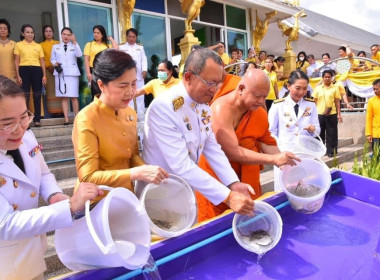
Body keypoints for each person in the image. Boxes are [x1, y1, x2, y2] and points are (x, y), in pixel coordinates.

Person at [0, 74, 102, 279]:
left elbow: (43, 174)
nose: (19, 129)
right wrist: (69, 207)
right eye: (7, 123)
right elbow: (5, 225)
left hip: (30, 254)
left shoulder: (26, 137)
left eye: (24, 117)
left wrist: (54, 194)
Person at [143, 48, 255, 218]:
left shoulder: (203, 106)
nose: (215, 89)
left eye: (219, 83)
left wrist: (233, 183)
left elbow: (212, 148)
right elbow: (181, 165)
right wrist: (227, 196)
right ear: (188, 77)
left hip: (187, 192)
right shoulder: (164, 107)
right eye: (210, 83)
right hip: (160, 196)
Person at [196, 69, 300, 221]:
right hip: (218, 177)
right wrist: (273, 160)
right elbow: (232, 152)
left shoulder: (258, 112)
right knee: (217, 224)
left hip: (247, 176)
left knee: (250, 221)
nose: (261, 101)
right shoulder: (220, 109)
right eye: (257, 96)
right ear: (241, 89)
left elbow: (266, 141)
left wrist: (287, 168)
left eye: (264, 97)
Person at [73, 49, 168, 203]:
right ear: (101, 85)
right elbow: (88, 176)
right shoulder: (87, 118)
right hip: (97, 203)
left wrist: (148, 170)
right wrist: (136, 173)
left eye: (133, 84)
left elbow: (133, 156)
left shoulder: (129, 113)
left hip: (126, 198)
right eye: (123, 86)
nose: (130, 92)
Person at [268, 70, 320, 152]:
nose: (301, 92)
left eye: (305, 88)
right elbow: (270, 132)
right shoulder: (278, 105)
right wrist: (280, 148)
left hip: (305, 151)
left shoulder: (311, 105)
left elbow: (317, 129)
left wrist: (312, 129)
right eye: (297, 88)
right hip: (284, 152)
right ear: (288, 86)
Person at [14, 24, 47, 127]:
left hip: (37, 70)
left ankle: (37, 119)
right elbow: (16, 61)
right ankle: (26, 120)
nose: (30, 34)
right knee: (25, 96)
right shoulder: (18, 45)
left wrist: (44, 75)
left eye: (32, 32)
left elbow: (42, 62)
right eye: (27, 32)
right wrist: (18, 75)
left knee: (37, 95)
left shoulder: (38, 46)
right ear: (22, 33)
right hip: (24, 70)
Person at [51, 27, 82, 125]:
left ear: (71, 36)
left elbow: (79, 54)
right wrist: (55, 63)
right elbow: (52, 59)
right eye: (64, 34)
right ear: (61, 35)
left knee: (73, 96)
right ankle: (66, 119)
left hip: (72, 73)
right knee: (63, 97)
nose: (66, 36)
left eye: (68, 35)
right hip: (61, 73)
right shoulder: (55, 47)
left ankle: (76, 118)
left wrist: (75, 42)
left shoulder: (74, 46)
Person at [312, 70, 342, 157]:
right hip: (319, 113)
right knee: (319, 132)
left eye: (329, 77)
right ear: (323, 78)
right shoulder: (318, 88)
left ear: (332, 78)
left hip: (332, 113)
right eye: (325, 77)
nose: (327, 78)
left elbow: (337, 102)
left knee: (332, 133)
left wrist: (339, 113)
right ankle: (320, 150)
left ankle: (331, 151)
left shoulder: (335, 88)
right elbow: (314, 101)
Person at [84, 25, 118, 100]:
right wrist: (88, 72)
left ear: (102, 34)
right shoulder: (89, 45)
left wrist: (111, 39)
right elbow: (86, 59)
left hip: (105, 70)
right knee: (95, 92)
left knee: (105, 91)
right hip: (94, 70)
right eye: (94, 32)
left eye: (98, 33)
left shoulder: (107, 45)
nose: (95, 34)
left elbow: (116, 49)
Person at [119, 28, 148, 118]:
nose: (131, 38)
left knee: (140, 95)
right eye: (130, 37)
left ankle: (140, 116)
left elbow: (144, 59)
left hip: (139, 75)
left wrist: (144, 70)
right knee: (128, 95)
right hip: (127, 76)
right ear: (126, 37)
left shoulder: (140, 47)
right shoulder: (122, 48)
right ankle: (129, 116)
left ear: (136, 37)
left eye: (133, 37)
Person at [40, 25, 59, 112]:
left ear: (53, 33)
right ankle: (51, 112)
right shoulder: (40, 45)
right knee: (49, 92)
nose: (48, 33)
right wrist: (48, 67)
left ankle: (60, 111)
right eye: (46, 31)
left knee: (58, 90)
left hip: (58, 70)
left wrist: (55, 66)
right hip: (47, 70)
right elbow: (41, 58)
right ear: (44, 33)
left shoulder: (58, 43)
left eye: (50, 31)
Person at [365, 79, 380, 151]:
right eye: (374, 89)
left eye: (376, 89)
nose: (375, 91)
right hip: (376, 133)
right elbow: (369, 118)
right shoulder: (371, 101)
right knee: (376, 156)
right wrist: (368, 134)